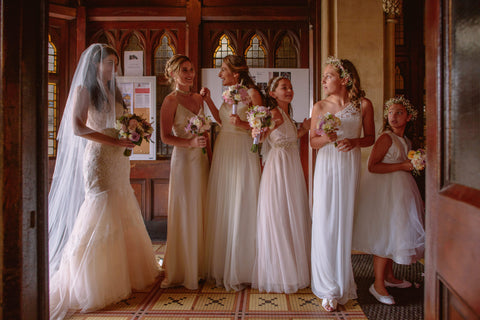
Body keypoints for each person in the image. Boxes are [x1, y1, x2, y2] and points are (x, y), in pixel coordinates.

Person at [48, 43, 160, 319]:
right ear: (95, 64)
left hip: (118, 157)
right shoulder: (84, 90)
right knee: (100, 207)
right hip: (98, 157)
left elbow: (123, 120)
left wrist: (133, 134)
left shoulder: (115, 90)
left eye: (115, 64)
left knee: (121, 205)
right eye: (108, 63)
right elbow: (77, 127)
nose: (113, 69)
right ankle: (94, 280)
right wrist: (113, 140)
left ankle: (127, 273)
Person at [310, 56, 375, 311]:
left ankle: (340, 280)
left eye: (329, 76)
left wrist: (355, 142)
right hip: (327, 166)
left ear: (345, 79)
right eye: (324, 76)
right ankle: (327, 287)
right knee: (325, 219)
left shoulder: (363, 105)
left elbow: (369, 137)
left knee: (343, 221)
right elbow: (312, 144)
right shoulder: (319, 106)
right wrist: (326, 139)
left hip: (348, 166)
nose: (324, 80)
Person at [352, 96, 425, 305]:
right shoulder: (386, 138)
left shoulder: (406, 141)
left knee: (397, 232)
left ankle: (390, 277)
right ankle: (378, 284)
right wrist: (402, 166)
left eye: (399, 112)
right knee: (386, 234)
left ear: (409, 117)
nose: (393, 116)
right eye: (391, 112)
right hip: (386, 193)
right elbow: (372, 166)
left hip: (401, 192)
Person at [201, 55, 263, 291]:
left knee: (241, 199)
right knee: (225, 202)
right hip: (224, 149)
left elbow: (261, 125)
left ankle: (243, 266)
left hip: (241, 150)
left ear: (236, 73)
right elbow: (223, 120)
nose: (220, 74)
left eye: (223, 70)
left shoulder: (253, 94)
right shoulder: (228, 95)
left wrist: (244, 125)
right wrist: (208, 102)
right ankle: (221, 265)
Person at [251, 76, 311, 293]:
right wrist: (258, 132)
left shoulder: (286, 114)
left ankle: (292, 269)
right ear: (273, 93)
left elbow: (290, 137)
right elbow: (261, 137)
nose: (289, 90)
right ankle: (279, 273)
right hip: (278, 169)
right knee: (278, 215)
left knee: (290, 214)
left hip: (291, 168)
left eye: (291, 87)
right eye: (284, 87)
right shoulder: (274, 113)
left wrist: (304, 128)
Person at [160, 54, 209, 290]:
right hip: (183, 161)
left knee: (201, 208)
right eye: (184, 70)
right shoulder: (170, 101)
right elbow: (165, 137)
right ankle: (183, 268)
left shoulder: (199, 98)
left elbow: (206, 130)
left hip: (201, 160)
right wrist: (189, 144)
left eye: (191, 69)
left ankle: (200, 266)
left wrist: (207, 150)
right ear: (173, 74)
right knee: (186, 208)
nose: (189, 74)